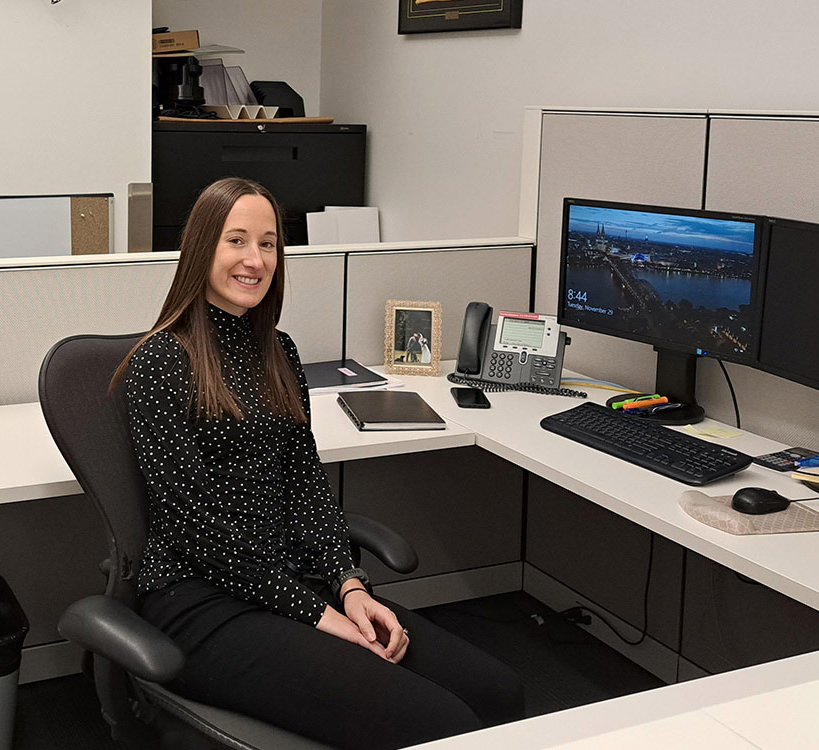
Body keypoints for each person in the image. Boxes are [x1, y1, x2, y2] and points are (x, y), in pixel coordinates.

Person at [113, 177, 523, 750]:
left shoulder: (279, 352)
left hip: (291, 586)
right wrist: (317, 615)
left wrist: (350, 586)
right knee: (440, 724)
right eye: (236, 241)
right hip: (202, 602)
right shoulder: (160, 363)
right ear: (202, 248)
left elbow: (308, 489)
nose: (255, 260)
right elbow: (196, 532)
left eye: (269, 243)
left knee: (498, 692)